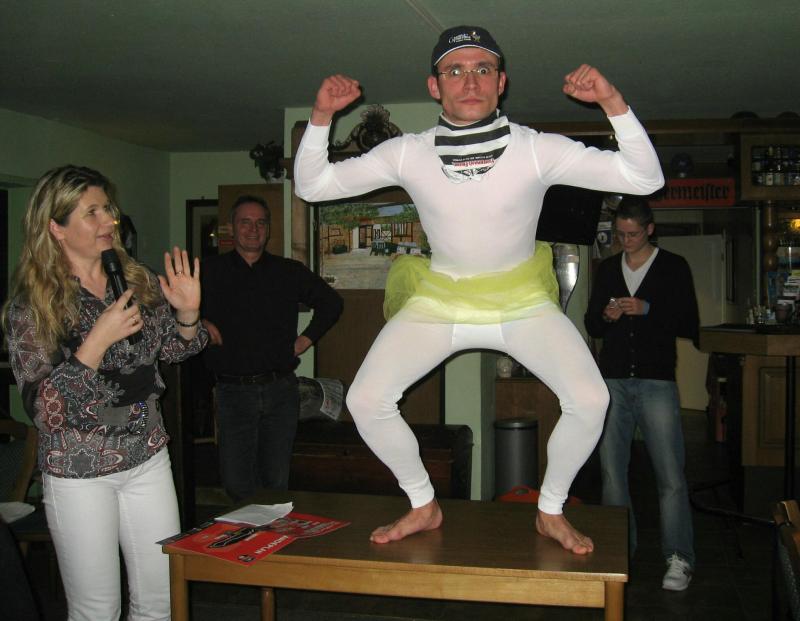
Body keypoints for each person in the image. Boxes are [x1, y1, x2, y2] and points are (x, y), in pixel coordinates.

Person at [293, 25, 664, 554]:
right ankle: (422, 503)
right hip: (440, 300)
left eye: (482, 69)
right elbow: (313, 186)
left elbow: (644, 179)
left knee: (590, 399)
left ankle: (550, 509)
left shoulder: (537, 148)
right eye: (455, 70)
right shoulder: (407, 152)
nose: (470, 81)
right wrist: (320, 118)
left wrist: (612, 102)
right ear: (434, 86)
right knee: (366, 399)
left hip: (522, 302)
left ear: (501, 81)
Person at [2, 164, 208, 620]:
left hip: (147, 457)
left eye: (107, 209)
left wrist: (188, 315)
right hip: (80, 473)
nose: (108, 221)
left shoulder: (137, 280)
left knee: (161, 600)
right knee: (97, 610)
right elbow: (45, 411)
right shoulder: (32, 306)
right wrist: (96, 341)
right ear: (55, 228)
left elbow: (173, 350)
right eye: (91, 212)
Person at [584, 197, 698, 590]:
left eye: (632, 234)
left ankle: (679, 557)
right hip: (613, 381)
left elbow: (689, 322)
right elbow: (593, 325)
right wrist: (607, 315)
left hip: (656, 382)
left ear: (650, 229)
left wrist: (648, 309)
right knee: (612, 473)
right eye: (620, 234)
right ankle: (620, 552)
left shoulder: (673, 267)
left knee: (670, 475)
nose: (625, 241)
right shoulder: (608, 269)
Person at [201, 195, 343, 501]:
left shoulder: (288, 271)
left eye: (260, 223)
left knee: (275, 483)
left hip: (280, 391)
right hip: (232, 393)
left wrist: (306, 340)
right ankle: (243, 532)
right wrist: (197, 321)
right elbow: (166, 306)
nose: (253, 229)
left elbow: (331, 303)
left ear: (268, 229)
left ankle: (273, 532)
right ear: (231, 228)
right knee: (236, 483)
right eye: (245, 222)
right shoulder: (208, 271)